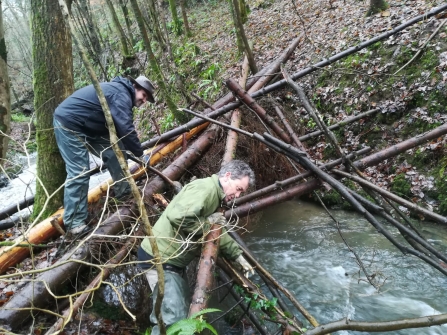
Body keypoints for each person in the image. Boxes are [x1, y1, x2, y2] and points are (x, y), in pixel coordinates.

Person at [137, 160, 256, 335]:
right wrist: (208, 222)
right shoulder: (206, 189)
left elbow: (215, 233)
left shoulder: (214, 193)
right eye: (238, 189)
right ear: (228, 176)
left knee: (176, 314)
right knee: (173, 321)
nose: (237, 196)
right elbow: (178, 217)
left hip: (170, 260)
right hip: (160, 259)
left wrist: (236, 255)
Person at [53, 75, 155, 234]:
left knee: (116, 151)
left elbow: (121, 130)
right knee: (80, 170)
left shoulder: (121, 93)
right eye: (144, 95)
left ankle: (125, 193)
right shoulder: (120, 94)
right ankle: (74, 223)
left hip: (91, 127)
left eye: (147, 98)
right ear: (135, 87)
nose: (144, 101)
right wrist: (140, 154)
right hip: (69, 124)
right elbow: (126, 129)